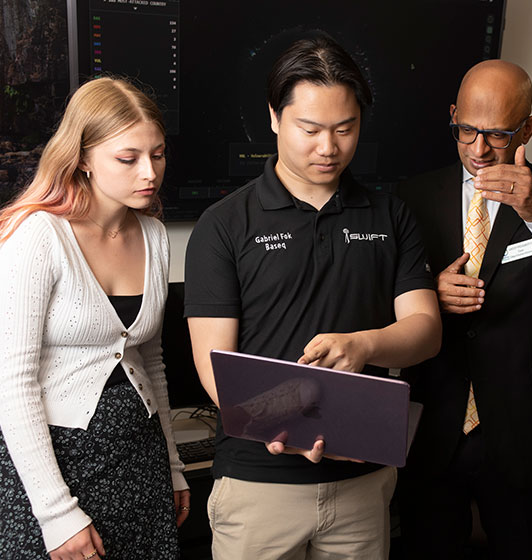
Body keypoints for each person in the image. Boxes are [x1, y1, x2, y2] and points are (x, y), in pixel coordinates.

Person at [184, 34, 440, 560]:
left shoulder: (389, 215)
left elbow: (426, 330)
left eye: (345, 130)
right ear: (275, 118)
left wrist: (365, 345)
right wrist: (279, 424)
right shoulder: (224, 225)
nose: (329, 147)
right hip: (259, 484)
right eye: (311, 129)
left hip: (363, 480)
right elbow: (215, 367)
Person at [396, 59, 532, 558]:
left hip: (524, 429)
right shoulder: (412, 197)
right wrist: (429, 293)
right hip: (433, 425)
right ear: (453, 115)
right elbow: (381, 292)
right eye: (466, 130)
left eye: (496, 135)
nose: (478, 149)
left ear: (528, 128)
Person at [0, 77, 190, 560]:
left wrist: (171, 463)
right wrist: (56, 514)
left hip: (138, 460)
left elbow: (152, 363)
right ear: (82, 157)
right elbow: (12, 382)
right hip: (55, 467)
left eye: (159, 154)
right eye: (127, 159)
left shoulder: (154, 236)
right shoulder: (38, 235)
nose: (149, 172)